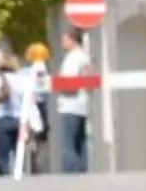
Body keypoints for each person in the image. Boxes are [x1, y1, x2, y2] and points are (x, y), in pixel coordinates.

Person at [7, 44, 51, 178]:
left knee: (35, 132)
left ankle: (33, 161)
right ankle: (33, 160)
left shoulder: (38, 67)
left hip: (36, 103)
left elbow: (40, 86)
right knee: (36, 133)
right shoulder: (38, 67)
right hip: (38, 103)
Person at [55, 28, 93, 174]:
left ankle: (71, 175)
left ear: (72, 39)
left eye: (65, 39)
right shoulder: (84, 57)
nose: (62, 42)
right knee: (80, 143)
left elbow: (70, 83)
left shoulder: (73, 58)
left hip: (70, 104)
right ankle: (82, 172)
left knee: (69, 145)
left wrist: (57, 86)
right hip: (82, 104)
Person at [0, 45, 27, 180]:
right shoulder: (22, 80)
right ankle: (19, 175)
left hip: (3, 118)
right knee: (18, 151)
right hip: (19, 119)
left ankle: (5, 179)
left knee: (4, 154)